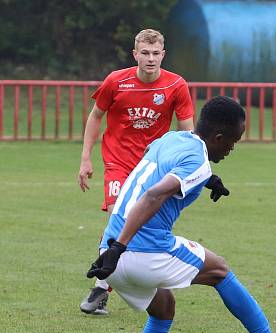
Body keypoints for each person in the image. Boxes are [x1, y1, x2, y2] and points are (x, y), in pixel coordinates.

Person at [84, 96, 276, 333]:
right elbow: (154, 194)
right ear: (218, 138)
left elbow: (151, 175)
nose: (233, 148)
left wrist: (206, 178)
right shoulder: (197, 162)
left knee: (163, 309)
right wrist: (121, 246)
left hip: (111, 255)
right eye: (234, 141)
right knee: (219, 271)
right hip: (137, 249)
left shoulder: (171, 138)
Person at [78, 29, 195, 316]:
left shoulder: (176, 86)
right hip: (118, 163)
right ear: (135, 55)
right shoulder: (116, 82)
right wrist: (85, 159)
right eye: (145, 53)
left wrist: (193, 166)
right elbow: (95, 116)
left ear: (163, 55)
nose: (151, 59)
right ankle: (101, 289)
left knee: (143, 229)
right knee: (116, 223)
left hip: (153, 169)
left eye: (156, 53)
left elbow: (187, 132)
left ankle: (107, 287)